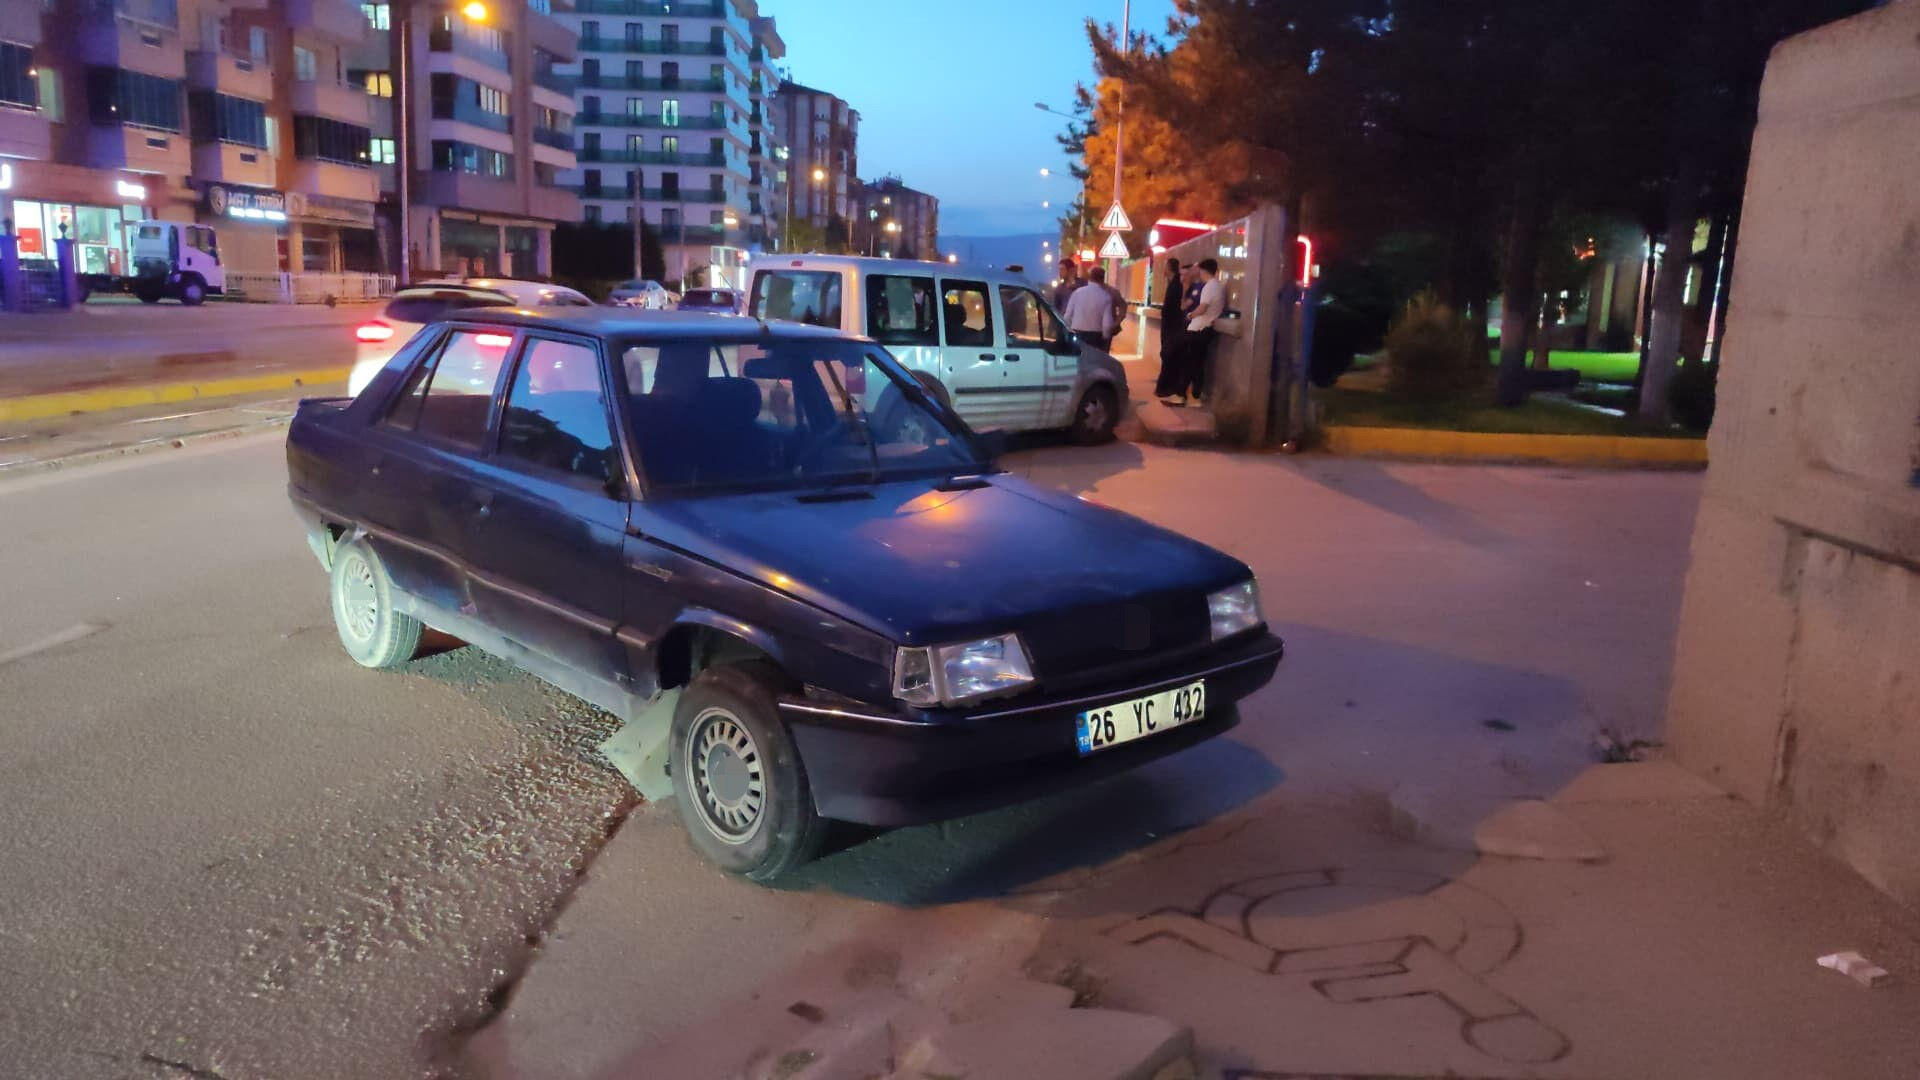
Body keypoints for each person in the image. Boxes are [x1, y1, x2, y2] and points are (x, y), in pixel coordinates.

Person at [1168, 258, 1225, 405]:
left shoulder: (1209, 287)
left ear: (1203, 270)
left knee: (1189, 363)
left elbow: (1203, 307)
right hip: (1205, 329)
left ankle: (1183, 395)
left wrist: (1190, 315)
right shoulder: (1217, 286)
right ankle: (1195, 395)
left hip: (1199, 329)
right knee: (1197, 364)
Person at [1153, 257, 1187, 399]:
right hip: (1170, 326)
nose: (1163, 270)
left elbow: (1176, 307)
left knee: (1169, 355)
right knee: (1167, 354)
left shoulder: (1177, 285)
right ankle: (1165, 387)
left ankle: (1165, 387)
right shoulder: (1172, 283)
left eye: (1165, 266)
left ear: (1170, 268)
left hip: (1173, 327)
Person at [1063, 265, 1118, 348]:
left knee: (1079, 359)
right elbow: (1106, 324)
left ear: (1090, 278)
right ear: (1103, 279)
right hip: (1096, 337)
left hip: (1077, 333)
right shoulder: (1106, 297)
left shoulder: (1077, 293)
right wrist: (1106, 337)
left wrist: (1067, 332)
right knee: (1094, 360)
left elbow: (1067, 316)